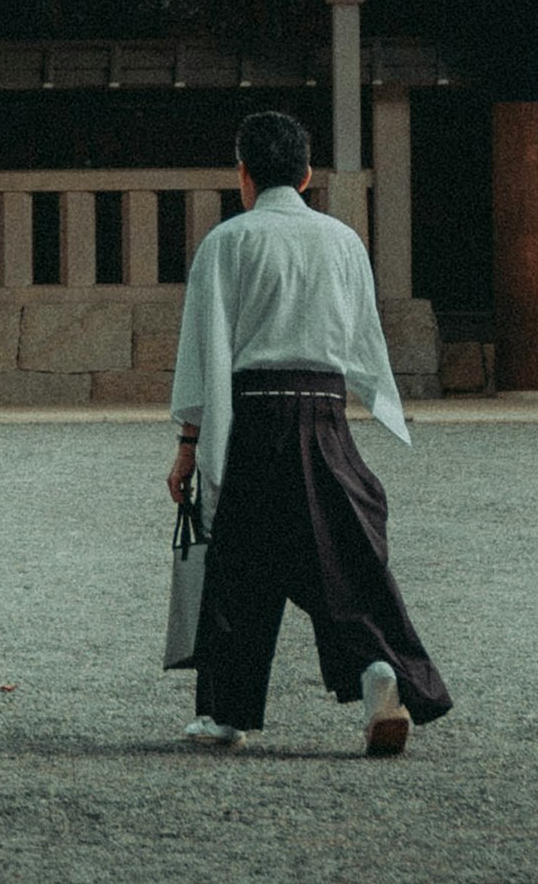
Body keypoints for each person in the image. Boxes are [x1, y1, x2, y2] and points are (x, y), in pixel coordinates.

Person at [166, 108, 451, 756]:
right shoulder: (342, 240)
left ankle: (224, 713)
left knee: (241, 565)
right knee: (343, 554)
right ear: (307, 173)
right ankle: (379, 671)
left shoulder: (228, 242)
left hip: (253, 416)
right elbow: (360, 342)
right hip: (322, 415)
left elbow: (204, 349)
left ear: (243, 172)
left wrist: (190, 443)